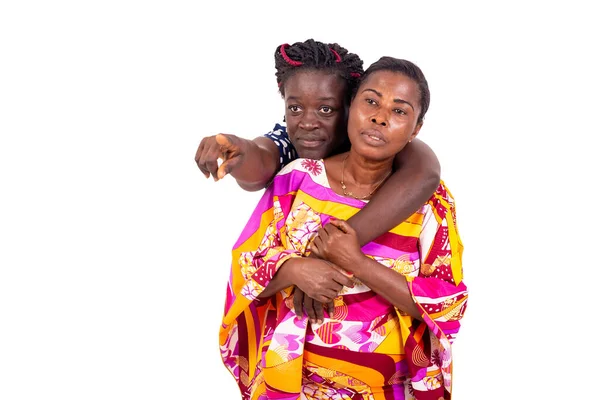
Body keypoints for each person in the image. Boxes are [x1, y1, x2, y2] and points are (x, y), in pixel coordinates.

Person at [220, 57, 467, 399]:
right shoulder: (297, 181)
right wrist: (294, 269)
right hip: (294, 385)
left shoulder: (430, 204)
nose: (380, 117)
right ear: (350, 106)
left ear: (416, 130)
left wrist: (356, 262)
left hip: (388, 389)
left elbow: (449, 306)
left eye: (399, 111)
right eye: (371, 101)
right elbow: (244, 276)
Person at [197, 39, 442, 322]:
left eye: (326, 110)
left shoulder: (388, 143)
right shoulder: (297, 164)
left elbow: (425, 173)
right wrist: (239, 151)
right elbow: (263, 162)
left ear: (351, 104)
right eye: (295, 109)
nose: (308, 123)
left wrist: (332, 251)